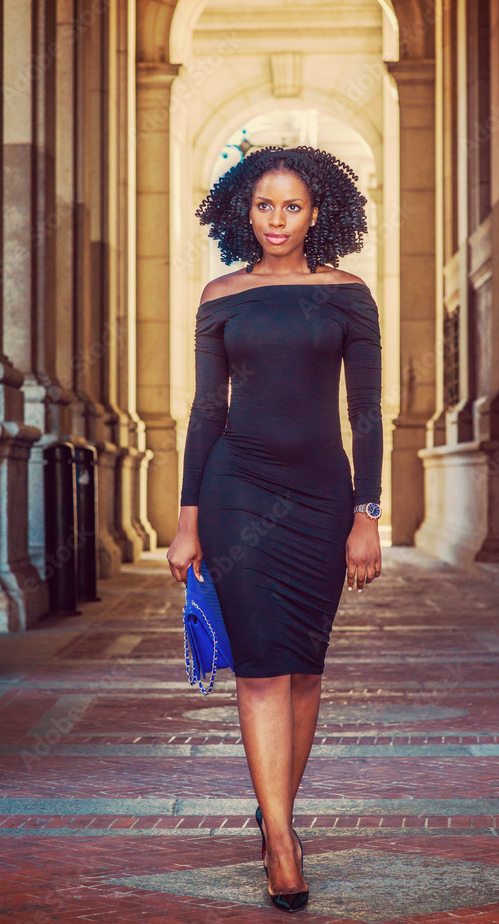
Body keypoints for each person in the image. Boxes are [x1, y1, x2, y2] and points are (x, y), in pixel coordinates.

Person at [167, 145, 383, 913]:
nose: (277, 220)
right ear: (242, 211)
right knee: (259, 666)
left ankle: (275, 816)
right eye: (264, 206)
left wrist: (367, 513)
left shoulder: (347, 295)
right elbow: (205, 412)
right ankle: (285, 842)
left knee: (304, 669)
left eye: (291, 206)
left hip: (322, 499)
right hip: (236, 490)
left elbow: (364, 413)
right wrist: (188, 519)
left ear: (317, 211)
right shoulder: (221, 294)